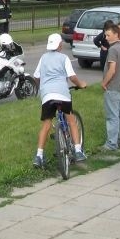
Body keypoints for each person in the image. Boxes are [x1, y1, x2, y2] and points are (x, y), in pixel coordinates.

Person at [32, 33, 88, 168]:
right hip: (62, 94)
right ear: (59, 45)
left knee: (46, 124)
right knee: (71, 121)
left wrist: (42, 86)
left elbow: (36, 76)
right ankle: (78, 150)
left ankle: (39, 156)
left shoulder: (43, 58)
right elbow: (72, 77)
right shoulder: (64, 58)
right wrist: (80, 84)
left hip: (47, 95)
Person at [101, 24, 120, 151]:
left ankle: (112, 143)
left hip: (112, 87)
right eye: (105, 35)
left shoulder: (112, 50)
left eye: (108, 35)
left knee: (112, 116)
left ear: (116, 35)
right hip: (119, 86)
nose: (106, 38)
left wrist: (104, 83)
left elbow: (112, 70)